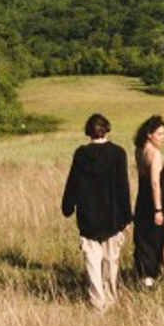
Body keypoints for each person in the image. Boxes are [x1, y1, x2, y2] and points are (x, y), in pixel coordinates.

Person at [60, 113, 132, 311]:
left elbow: (72, 182)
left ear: (88, 131)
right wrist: (127, 216)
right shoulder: (118, 153)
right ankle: (110, 298)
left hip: (88, 217)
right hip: (112, 217)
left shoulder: (81, 154)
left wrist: (68, 207)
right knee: (111, 262)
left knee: (93, 263)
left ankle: (97, 303)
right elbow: (122, 187)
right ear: (107, 129)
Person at [132, 114, 164, 288]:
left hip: (142, 200)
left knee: (145, 238)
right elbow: (155, 182)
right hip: (157, 201)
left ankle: (147, 275)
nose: (163, 138)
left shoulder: (139, 150)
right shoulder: (155, 154)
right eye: (159, 134)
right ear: (148, 134)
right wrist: (158, 209)